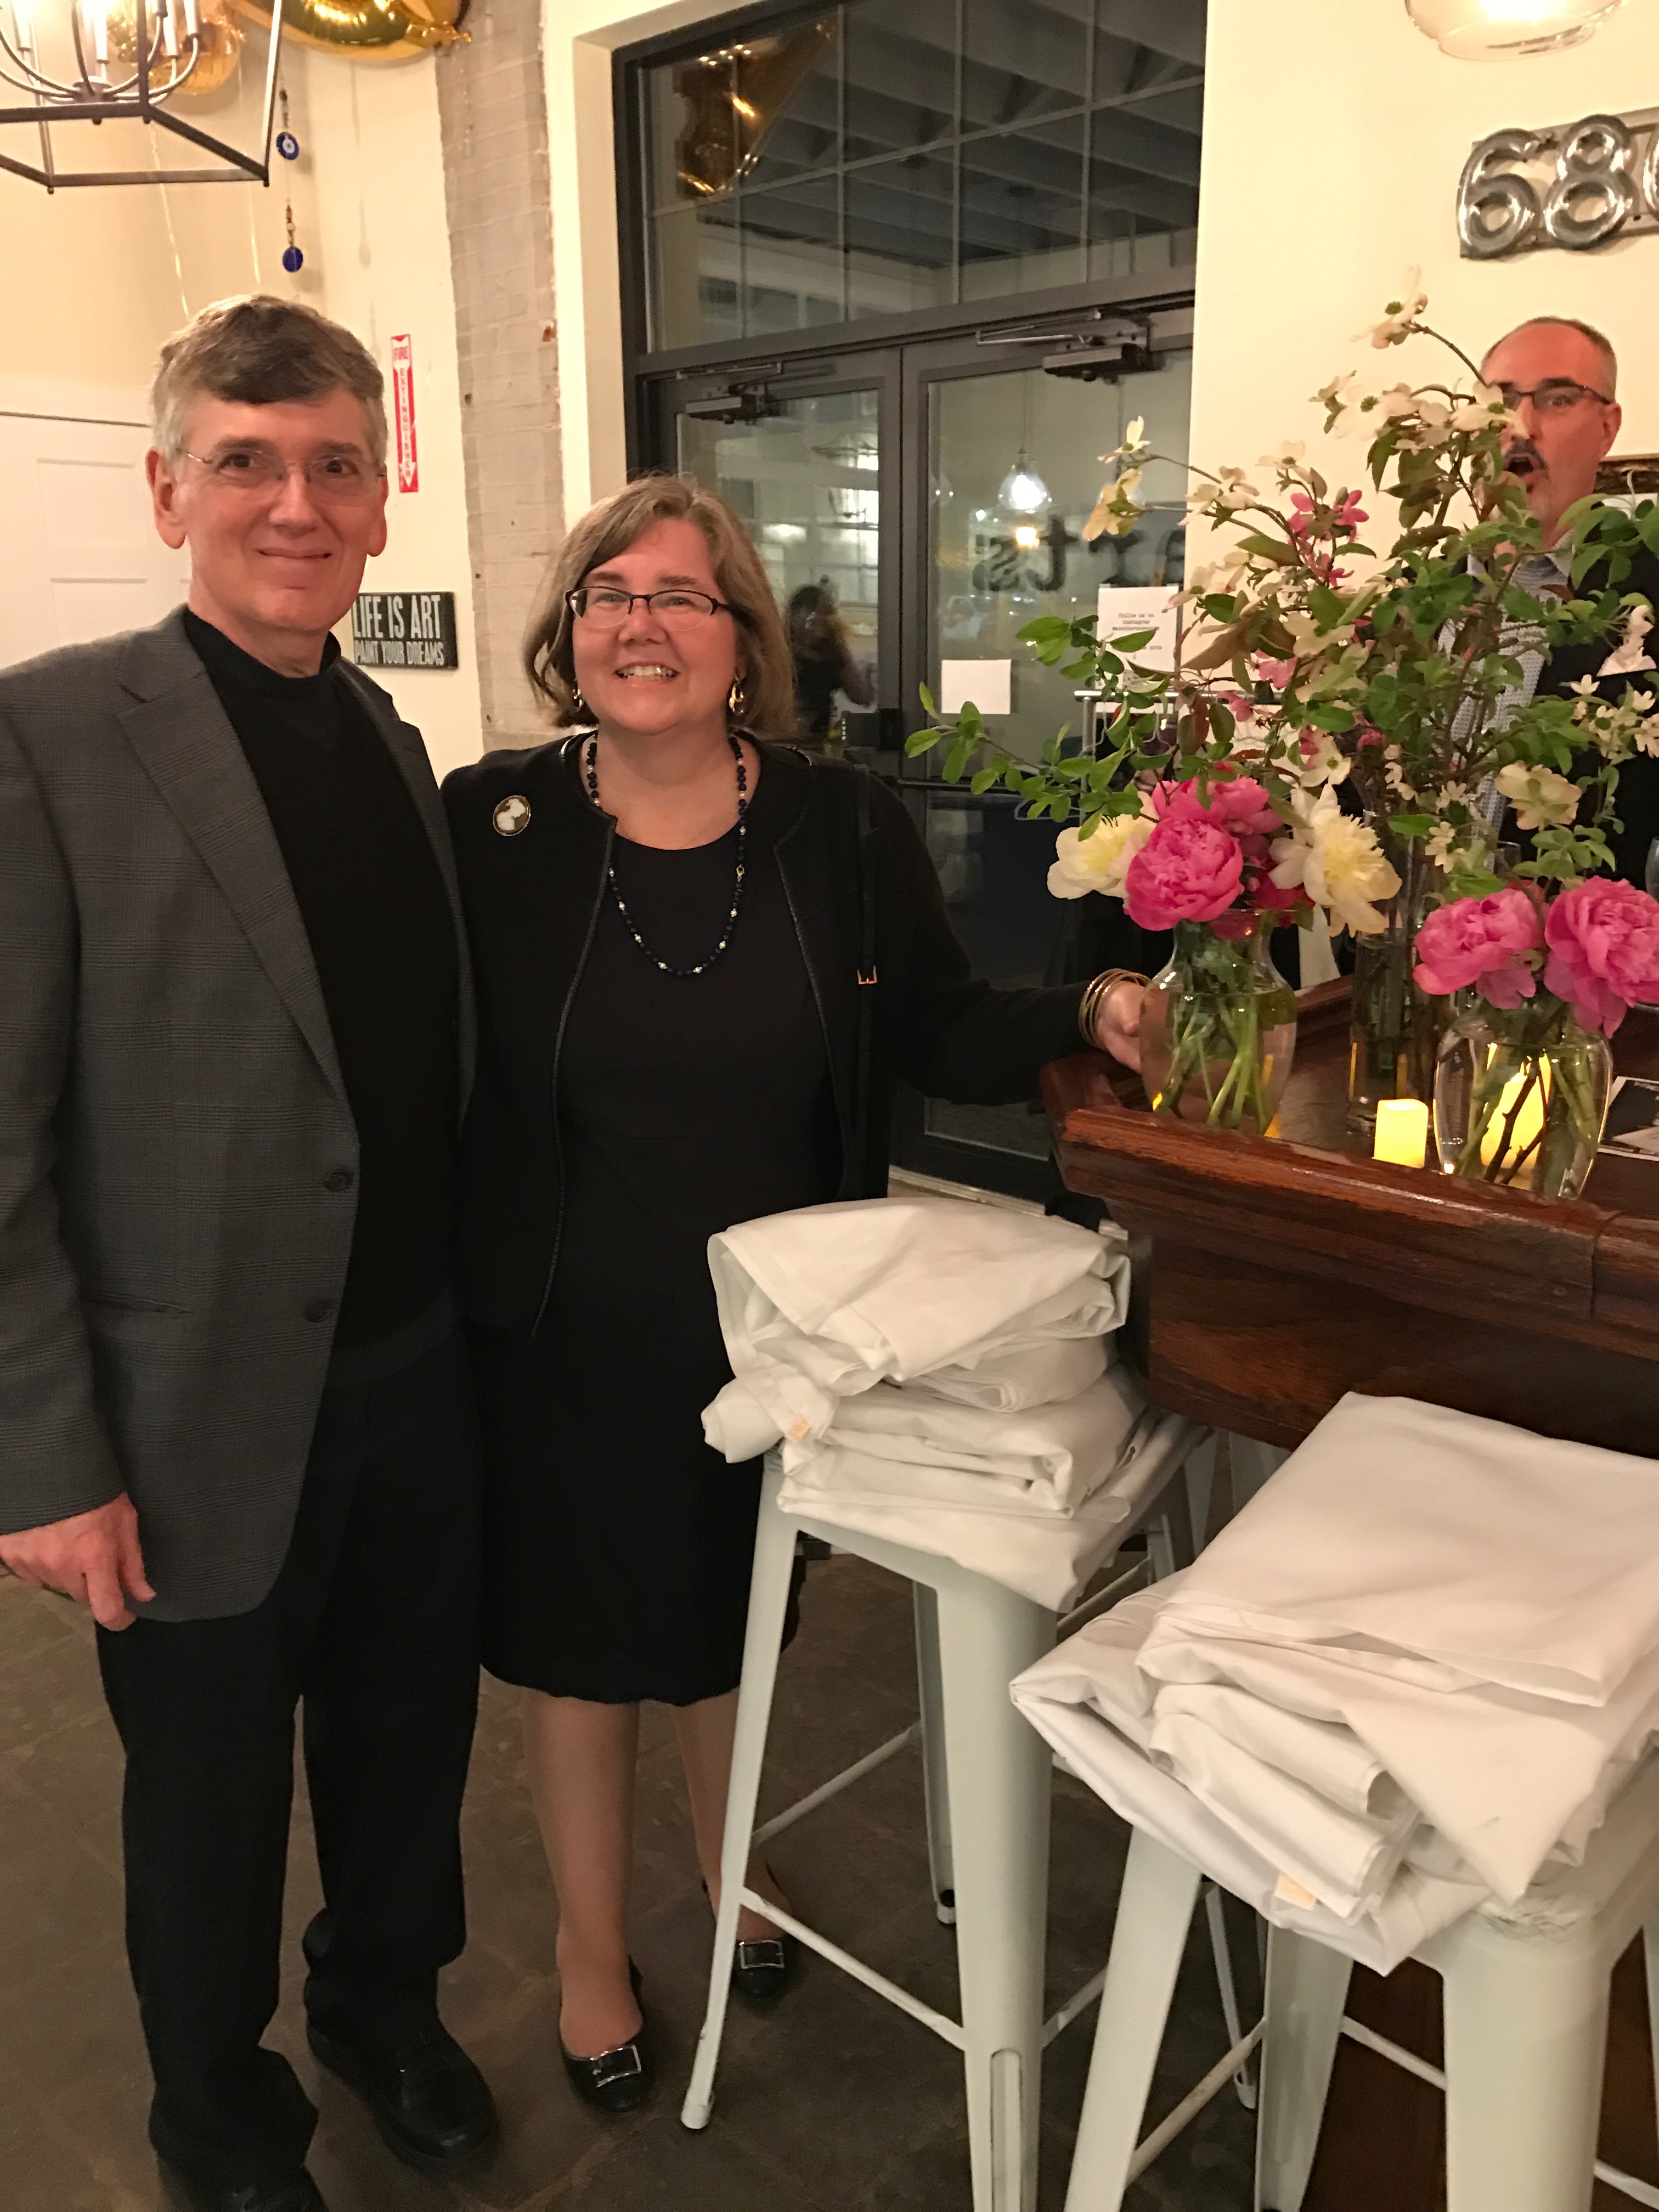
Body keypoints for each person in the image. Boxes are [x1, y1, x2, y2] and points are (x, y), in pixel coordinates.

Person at [442, 474, 1143, 2115]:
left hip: (774, 1335)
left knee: (731, 1624)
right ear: (570, 631)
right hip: (556, 1326)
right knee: (576, 1651)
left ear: (743, 637)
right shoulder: (492, 827)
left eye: (681, 597)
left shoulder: (840, 826)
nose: (643, 627)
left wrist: (1093, 1007)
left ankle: (730, 1861)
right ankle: (592, 1946)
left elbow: (941, 1022)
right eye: (611, 596)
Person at [0, 297, 496, 2212]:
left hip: (411, 1375)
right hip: (189, 1410)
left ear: (379, 500)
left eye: (334, 466)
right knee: (206, 1811)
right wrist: (45, 1458)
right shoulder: (51, 733)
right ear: (167, 492)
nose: (296, 503)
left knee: (406, 1755)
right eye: (246, 462)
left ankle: (384, 2007)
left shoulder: (384, 730)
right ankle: (217, 2124)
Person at [1480, 314, 1659, 885]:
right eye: (1499, 403)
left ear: (1608, 427)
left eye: (1557, 400)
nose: (1521, 426)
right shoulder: (1412, 604)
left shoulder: (1648, 592)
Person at [787, 578, 873, 742]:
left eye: (830, 614)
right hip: (786, 736)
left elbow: (860, 696)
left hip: (818, 737)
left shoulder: (829, 653)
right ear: (798, 614)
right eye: (822, 613)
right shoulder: (781, 651)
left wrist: (840, 645)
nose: (825, 620)